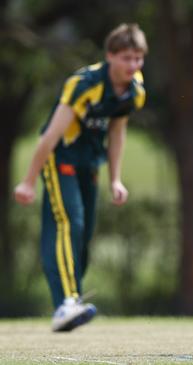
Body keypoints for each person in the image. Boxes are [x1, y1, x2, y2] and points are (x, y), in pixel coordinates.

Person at [13, 23, 147, 332]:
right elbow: (49, 136)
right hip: (59, 158)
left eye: (138, 58)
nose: (133, 65)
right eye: (126, 58)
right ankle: (65, 303)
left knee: (83, 236)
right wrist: (28, 181)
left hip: (89, 163)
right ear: (110, 56)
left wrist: (116, 179)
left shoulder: (134, 90)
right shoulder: (84, 84)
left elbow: (117, 131)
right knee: (67, 223)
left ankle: (71, 299)